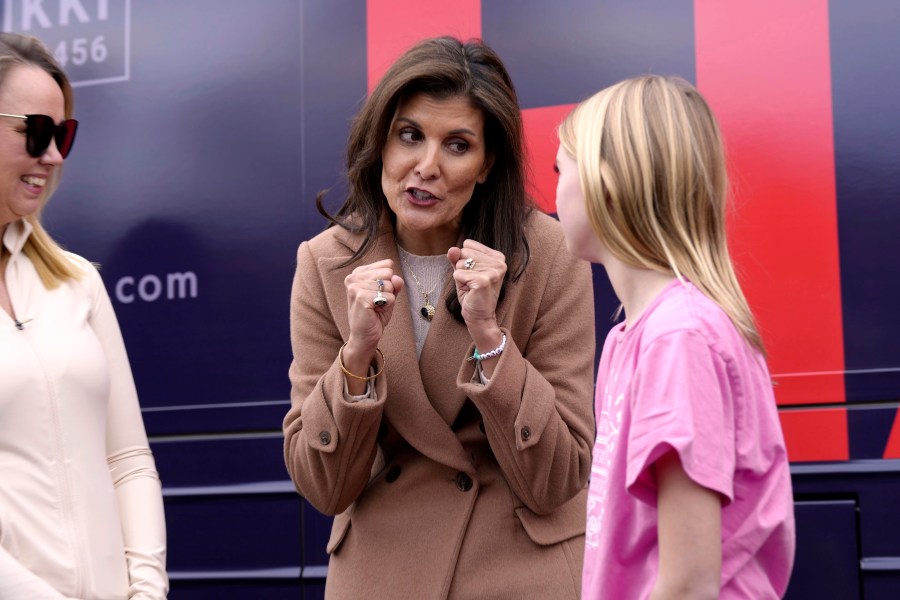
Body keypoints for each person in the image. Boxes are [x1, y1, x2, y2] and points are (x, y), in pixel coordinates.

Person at [283, 36, 595, 598]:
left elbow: (559, 477)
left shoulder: (546, 252)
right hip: (382, 574)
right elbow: (323, 487)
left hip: (517, 572)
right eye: (410, 136)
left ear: (486, 163)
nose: (425, 166)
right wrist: (357, 356)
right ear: (380, 142)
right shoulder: (325, 263)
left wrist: (489, 338)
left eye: (456, 145)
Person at [555, 75, 795, 599]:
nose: (553, 188)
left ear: (604, 182)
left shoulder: (676, 339)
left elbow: (689, 584)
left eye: (560, 167)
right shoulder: (634, 338)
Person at [0, 33, 168, 599]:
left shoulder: (77, 280)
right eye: (36, 133)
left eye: (63, 135)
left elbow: (128, 460)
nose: (52, 155)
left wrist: (145, 590)